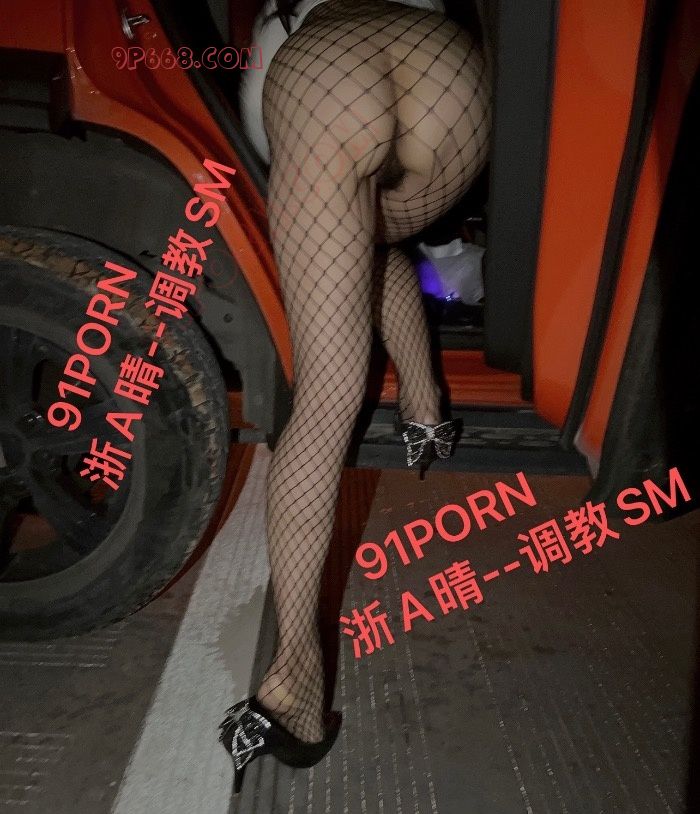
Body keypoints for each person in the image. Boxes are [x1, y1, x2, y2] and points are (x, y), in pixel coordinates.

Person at [219, 0, 491, 793]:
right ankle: (425, 408)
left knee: (327, 396)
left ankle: (293, 683)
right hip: (447, 67)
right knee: (369, 239)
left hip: (325, 67)